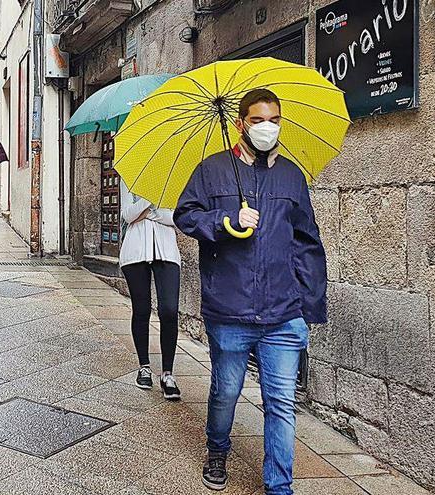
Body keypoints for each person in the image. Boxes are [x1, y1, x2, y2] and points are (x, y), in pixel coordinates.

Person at [174, 89, 327, 494]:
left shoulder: (292, 176)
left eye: (273, 119)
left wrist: (308, 306)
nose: (267, 127)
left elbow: (307, 241)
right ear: (241, 123)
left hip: (283, 312)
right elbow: (185, 215)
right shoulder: (212, 170)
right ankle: (218, 448)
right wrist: (227, 219)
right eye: (258, 120)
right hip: (230, 308)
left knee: (281, 404)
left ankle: (280, 486)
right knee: (226, 391)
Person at [119, 178, 182, 400]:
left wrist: (147, 213)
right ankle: (144, 367)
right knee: (142, 309)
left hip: (167, 252)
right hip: (135, 252)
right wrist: (151, 200)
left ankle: (168, 374)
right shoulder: (129, 180)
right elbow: (127, 214)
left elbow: (176, 217)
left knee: (169, 310)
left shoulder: (172, 182)